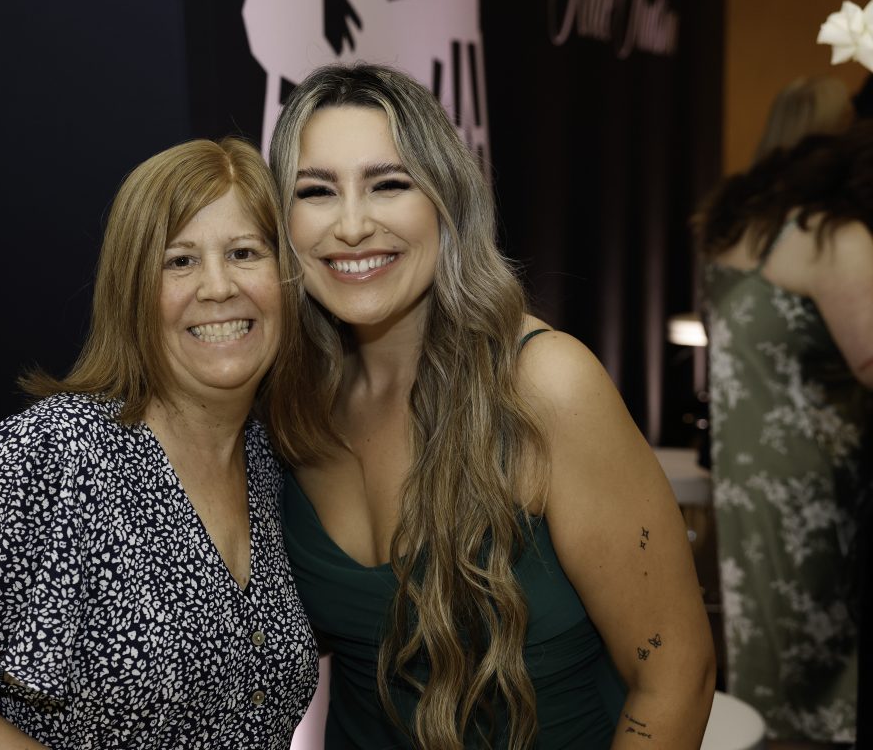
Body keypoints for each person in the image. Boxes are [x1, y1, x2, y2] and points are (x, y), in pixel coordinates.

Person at [264, 62, 715, 749]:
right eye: (316, 191)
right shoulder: (291, 402)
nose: (351, 225)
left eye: (389, 184)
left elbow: (677, 672)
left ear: (447, 202)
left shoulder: (543, 384)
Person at [0, 138, 318, 749]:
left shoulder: (274, 462)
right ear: (132, 292)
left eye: (244, 252)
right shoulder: (50, 454)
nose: (217, 286)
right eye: (179, 261)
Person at [696, 112, 873, 747]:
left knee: (774, 676)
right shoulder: (835, 238)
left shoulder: (750, 226)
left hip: (752, 492)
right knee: (821, 685)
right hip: (820, 500)